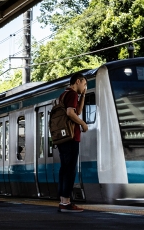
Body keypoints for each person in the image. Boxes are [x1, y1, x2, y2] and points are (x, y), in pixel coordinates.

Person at [57, 73, 89, 213]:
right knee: (70, 170)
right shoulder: (72, 94)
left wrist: (83, 95)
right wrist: (83, 124)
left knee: (65, 168)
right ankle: (66, 202)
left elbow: (78, 110)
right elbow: (71, 113)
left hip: (64, 138)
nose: (84, 87)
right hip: (71, 137)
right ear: (78, 81)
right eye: (84, 84)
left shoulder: (64, 95)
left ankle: (63, 201)